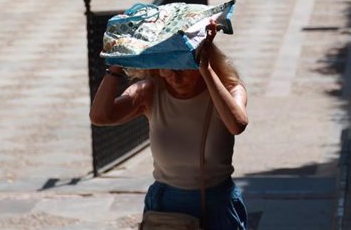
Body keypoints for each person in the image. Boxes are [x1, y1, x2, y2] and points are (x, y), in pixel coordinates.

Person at [90, 22, 249, 230]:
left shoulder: (228, 90)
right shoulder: (150, 91)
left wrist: (206, 69)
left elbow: (237, 124)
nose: (175, 77)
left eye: (182, 67)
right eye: (167, 67)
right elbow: (100, 116)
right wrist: (117, 65)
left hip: (216, 203)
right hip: (167, 207)